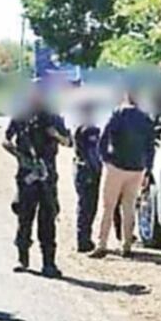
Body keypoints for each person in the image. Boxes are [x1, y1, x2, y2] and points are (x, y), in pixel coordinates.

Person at [3, 83, 71, 277]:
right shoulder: (21, 116)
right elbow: (6, 139)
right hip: (27, 175)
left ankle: (49, 263)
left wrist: (56, 135)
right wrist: (18, 155)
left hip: (48, 174)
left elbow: (69, 142)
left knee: (48, 219)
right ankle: (22, 259)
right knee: (24, 217)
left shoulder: (53, 117)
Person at [89, 89, 156, 259]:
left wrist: (105, 159)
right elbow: (150, 146)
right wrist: (148, 168)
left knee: (108, 207)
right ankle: (127, 245)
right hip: (137, 168)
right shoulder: (145, 118)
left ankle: (102, 244)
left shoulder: (118, 113)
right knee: (129, 207)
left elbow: (103, 138)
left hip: (116, 166)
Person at [72, 101, 103, 253]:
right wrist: (98, 170)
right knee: (88, 206)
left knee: (84, 205)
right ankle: (83, 240)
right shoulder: (90, 129)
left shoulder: (79, 127)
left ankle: (82, 238)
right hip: (88, 171)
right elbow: (93, 154)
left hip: (80, 169)